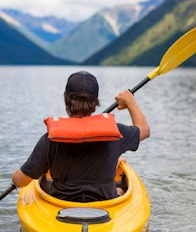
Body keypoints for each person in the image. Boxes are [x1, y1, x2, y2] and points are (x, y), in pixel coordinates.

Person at [12, 71, 150, 201]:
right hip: (105, 204)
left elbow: (20, 181)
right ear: (95, 104)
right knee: (119, 190)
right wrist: (130, 101)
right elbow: (144, 130)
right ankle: (118, 192)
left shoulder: (50, 139)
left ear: (65, 99)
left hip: (62, 206)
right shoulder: (116, 133)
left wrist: (16, 177)